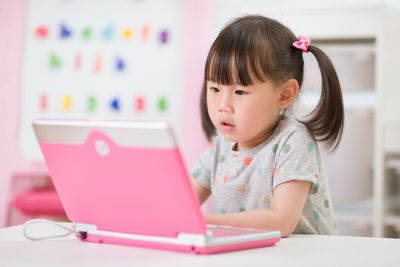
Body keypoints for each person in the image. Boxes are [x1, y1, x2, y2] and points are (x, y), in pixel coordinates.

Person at [190, 15, 344, 237]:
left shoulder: (294, 141)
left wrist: (204, 222)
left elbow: (281, 222)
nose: (223, 106)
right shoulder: (220, 148)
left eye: (240, 92)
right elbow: (181, 204)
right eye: (214, 89)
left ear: (284, 94)